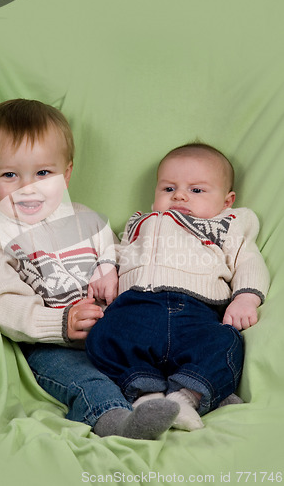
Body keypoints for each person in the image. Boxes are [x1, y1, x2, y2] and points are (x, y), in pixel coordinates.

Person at [0, 99, 180, 439]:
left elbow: (113, 249)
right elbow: (1, 301)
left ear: (65, 174)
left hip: (113, 329)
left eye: (43, 173)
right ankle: (117, 422)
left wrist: (108, 268)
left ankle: (198, 391)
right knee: (85, 381)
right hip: (53, 345)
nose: (27, 187)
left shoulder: (83, 217)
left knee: (161, 346)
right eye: (9, 175)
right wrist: (60, 323)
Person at [86, 143, 270, 431]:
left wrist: (246, 297)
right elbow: (118, 253)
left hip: (196, 312)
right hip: (136, 307)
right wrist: (107, 272)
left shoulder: (228, 224)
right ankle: (147, 397)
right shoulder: (139, 224)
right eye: (168, 189)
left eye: (197, 190)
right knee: (102, 335)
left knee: (226, 343)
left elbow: (247, 259)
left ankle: (186, 397)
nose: (180, 195)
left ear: (226, 200)